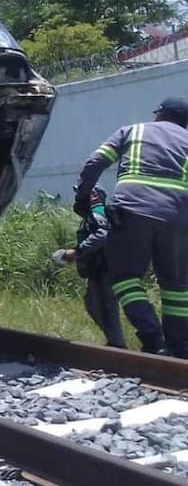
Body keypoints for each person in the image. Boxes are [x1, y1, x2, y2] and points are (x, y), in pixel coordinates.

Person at [73, 97, 188, 357]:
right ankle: (179, 348)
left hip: (132, 213)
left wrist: (83, 198)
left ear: (160, 115)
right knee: (177, 287)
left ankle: (151, 336)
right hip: (178, 220)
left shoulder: (133, 131)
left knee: (125, 277)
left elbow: (95, 163)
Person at [52, 184, 127, 349]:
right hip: (99, 268)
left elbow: (102, 235)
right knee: (95, 305)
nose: (79, 197)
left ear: (94, 195)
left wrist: (77, 251)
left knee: (107, 307)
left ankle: (118, 345)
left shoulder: (97, 213)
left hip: (106, 268)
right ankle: (114, 341)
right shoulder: (93, 214)